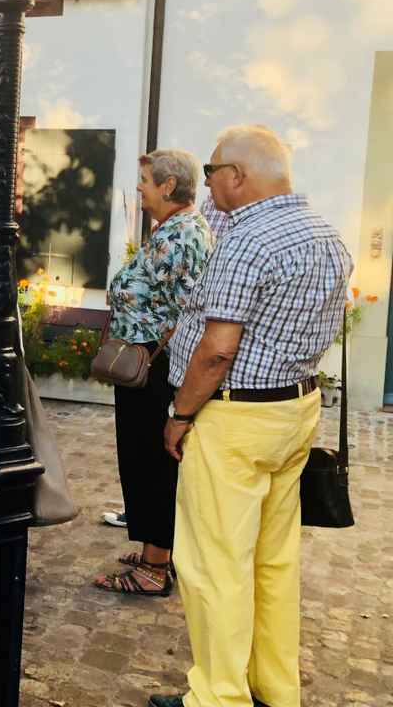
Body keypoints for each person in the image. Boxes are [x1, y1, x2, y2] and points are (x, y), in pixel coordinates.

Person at [149, 126, 351, 707]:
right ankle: (273, 688)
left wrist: (180, 414)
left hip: (234, 417)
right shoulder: (324, 233)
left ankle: (218, 698)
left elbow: (217, 350)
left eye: (211, 171)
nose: (206, 182)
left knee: (216, 563)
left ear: (236, 176)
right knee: (273, 560)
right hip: (295, 408)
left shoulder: (248, 242)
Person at [94, 150, 211, 596]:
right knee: (143, 459)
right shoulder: (173, 229)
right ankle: (155, 548)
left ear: (167, 185)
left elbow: (190, 312)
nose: (139, 189)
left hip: (156, 369)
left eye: (144, 181)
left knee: (151, 462)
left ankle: (154, 567)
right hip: (148, 366)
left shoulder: (184, 235)